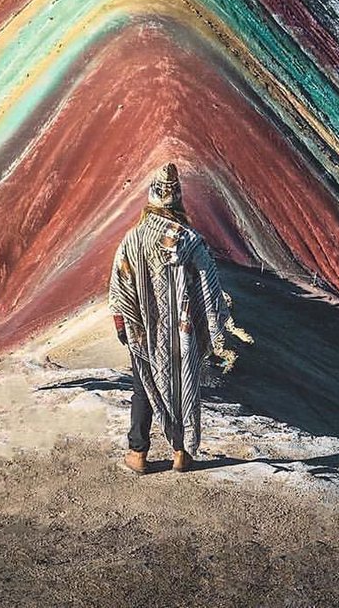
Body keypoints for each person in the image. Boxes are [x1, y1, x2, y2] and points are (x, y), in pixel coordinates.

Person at [107, 162, 245, 474]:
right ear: (178, 200)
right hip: (183, 331)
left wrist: (122, 324)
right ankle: (181, 453)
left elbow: (120, 285)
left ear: (151, 199)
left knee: (144, 386)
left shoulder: (133, 239)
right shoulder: (191, 240)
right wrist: (210, 324)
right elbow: (209, 283)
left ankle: (138, 453)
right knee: (184, 385)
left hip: (144, 330)